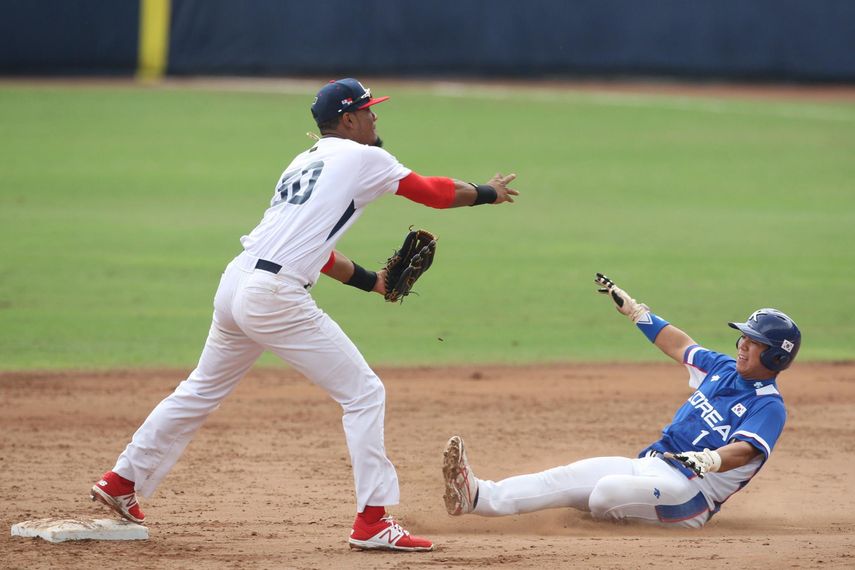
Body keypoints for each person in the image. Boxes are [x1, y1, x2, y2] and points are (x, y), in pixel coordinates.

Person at [90, 78, 518, 552]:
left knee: (200, 389)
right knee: (364, 393)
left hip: (237, 282)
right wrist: (486, 192)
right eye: (369, 111)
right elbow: (434, 192)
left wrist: (372, 281)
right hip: (273, 294)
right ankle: (373, 521)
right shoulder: (365, 157)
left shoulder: (304, 161)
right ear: (348, 120)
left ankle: (120, 480)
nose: (376, 118)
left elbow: (314, 250)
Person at [442, 272, 801, 528]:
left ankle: (611, 511)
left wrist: (708, 459)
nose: (742, 345)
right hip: (652, 465)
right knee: (566, 477)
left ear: (776, 358)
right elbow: (680, 345)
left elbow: (746, 450)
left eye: (754, 343)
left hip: (690, 495)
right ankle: (477, 497)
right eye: (743, 338)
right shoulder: (722, 367)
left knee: (605, 493)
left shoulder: (769, 406)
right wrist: (638, 314)